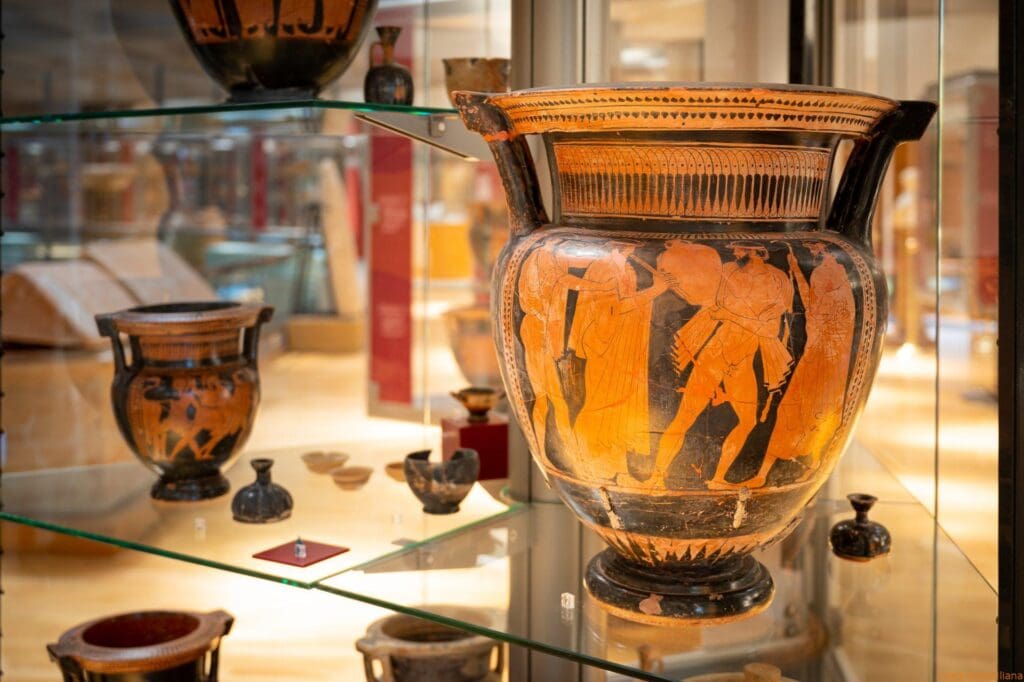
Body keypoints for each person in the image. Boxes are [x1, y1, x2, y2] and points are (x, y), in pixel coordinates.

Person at [652, 242, 794, 490]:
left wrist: (732, 315)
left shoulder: (778, 281)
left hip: (742, 363)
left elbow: (770, 330)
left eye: (741, 248)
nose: (736, 252)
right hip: (715, 355)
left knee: (747, 422)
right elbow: (710, 302)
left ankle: (718, 479)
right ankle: (657, 477)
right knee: (685, 416)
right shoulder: (728, 271)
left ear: (757, 251)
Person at [736, 242, 855, 488]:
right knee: (790, 411)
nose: (813, 253)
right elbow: (811, 302)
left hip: (826, 359)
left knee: (816, 413)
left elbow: (819, 310)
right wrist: (796, 271)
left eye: (816, 250)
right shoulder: (827, 280)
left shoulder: (835, 283)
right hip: (815, 355)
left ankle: (811, 464)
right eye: (813, 250)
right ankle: (763, 474)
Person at [568, 241, 672, 483]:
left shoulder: (626, 269)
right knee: (602, 402)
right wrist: (655, 291)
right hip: (604, 345)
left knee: (621, 405)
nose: (634, 249)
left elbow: (626, 308)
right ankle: (594, 465)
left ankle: (615, 467)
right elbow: (612, 309)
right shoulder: (603, 268)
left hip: (620, 345)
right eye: (630, 246)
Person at [517, 239, 608, 461]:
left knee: (554, 400)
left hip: (545, 332)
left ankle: (567, 452)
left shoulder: (548, 258)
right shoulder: (541, 259)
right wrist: (601, 286)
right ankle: (557, 452)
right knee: (548, 398)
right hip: (538, 334)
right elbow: (566, 281)